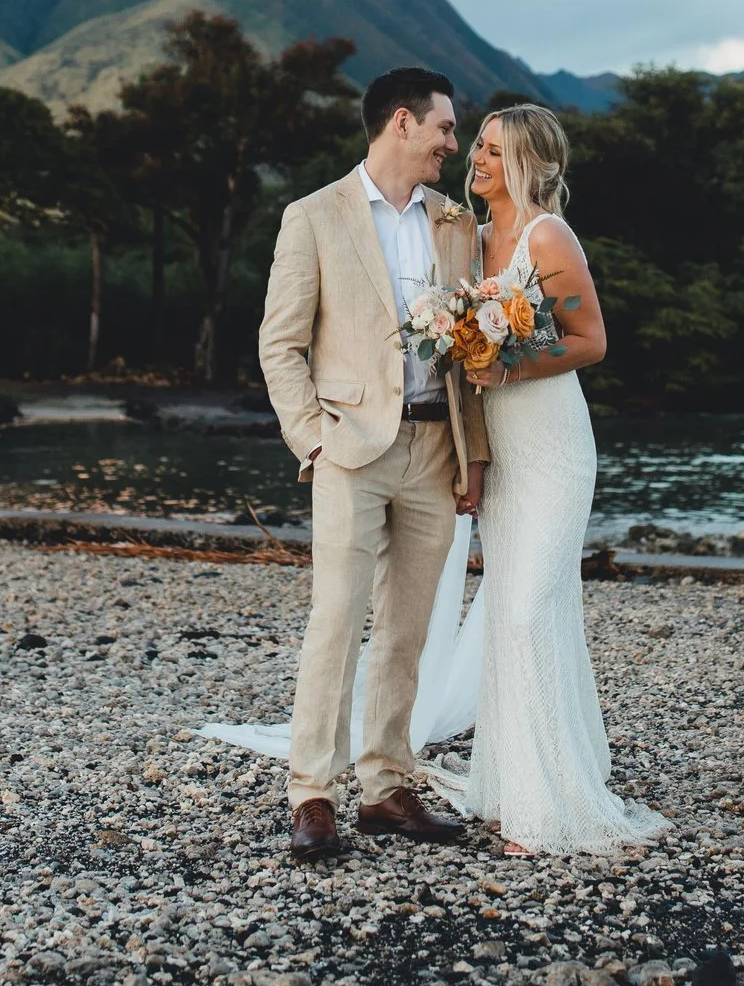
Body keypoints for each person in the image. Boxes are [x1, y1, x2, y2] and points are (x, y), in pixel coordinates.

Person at [251, 67, 491, 861]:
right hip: (350, 448)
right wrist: (312, 439)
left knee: (407, 629)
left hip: (434, 448)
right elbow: (279, 343)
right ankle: (311, 792)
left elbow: (474, 347)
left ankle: (387, 785)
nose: (453, 145)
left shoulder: (457, 224)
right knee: (334, 620)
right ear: (401, 122)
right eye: (446, 129)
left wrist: (473, 456)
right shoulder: (313, 216)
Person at [452, 104, 668, 855]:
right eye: (476, 145)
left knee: (522, 610)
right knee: (520, 612)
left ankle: (548, 806)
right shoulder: (473, 240)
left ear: (528, 164)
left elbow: (591, 340)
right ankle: (513, 785)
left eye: (491, 149)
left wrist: (508, 359)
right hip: (502, 451)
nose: (476, 158)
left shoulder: (548, 235)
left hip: (552, 446)